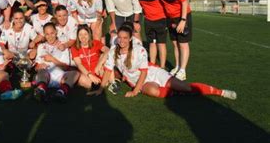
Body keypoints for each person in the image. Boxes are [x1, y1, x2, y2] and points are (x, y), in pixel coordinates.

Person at [96, 25, 236, 100]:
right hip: (139, 81)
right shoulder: (114, 49)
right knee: (153, 91)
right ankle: (177, 93)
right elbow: (108, 70)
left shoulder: (139, 50)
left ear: (130, 39)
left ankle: (220, 92)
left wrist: (134, 91)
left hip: (153, 73)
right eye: (119, 37)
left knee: (186, 87)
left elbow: (144, 72)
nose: (121, 40)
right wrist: (100, 89)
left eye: (125, 38)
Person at [153, 0, 192, 81]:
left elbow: (184, 3)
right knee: (175, 43)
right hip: (171, 18)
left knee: (183, 44)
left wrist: (183, 20)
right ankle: (178, 66)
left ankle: (183, 71)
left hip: (182, 16)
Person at [33, 22, 79, 102]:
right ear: (44, 34)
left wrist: (52, 59)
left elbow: (66, 67)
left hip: (61, 77)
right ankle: (41, 90)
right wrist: (39, 67)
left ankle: (61, 92)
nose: (50, 37)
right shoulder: (41, 47)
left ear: (56, 32)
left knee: (75, 73)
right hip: (46, 76)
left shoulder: (63, 46)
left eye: (52, 33)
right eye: (47, 34)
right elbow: (36, 67)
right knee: (41, 72)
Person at [135, 0, 167, 68]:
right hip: (148, 20)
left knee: (161, 44)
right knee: (152, 43)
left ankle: (162, 67)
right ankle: (152, 65)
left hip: (161, 19)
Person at [71, 25, 109, 93]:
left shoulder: (96, 43)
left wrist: (99, 64)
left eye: (85, 34)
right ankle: (98, 84)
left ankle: (105, 83)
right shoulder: (74, 47)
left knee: (107, 63)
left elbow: (108, 50)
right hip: (86, 73)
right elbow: (79, 64)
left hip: (98, 70)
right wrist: (90, 75)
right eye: (80, 34)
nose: (83, 37)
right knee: (81, 79)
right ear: (77, 36)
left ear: (89, 34)